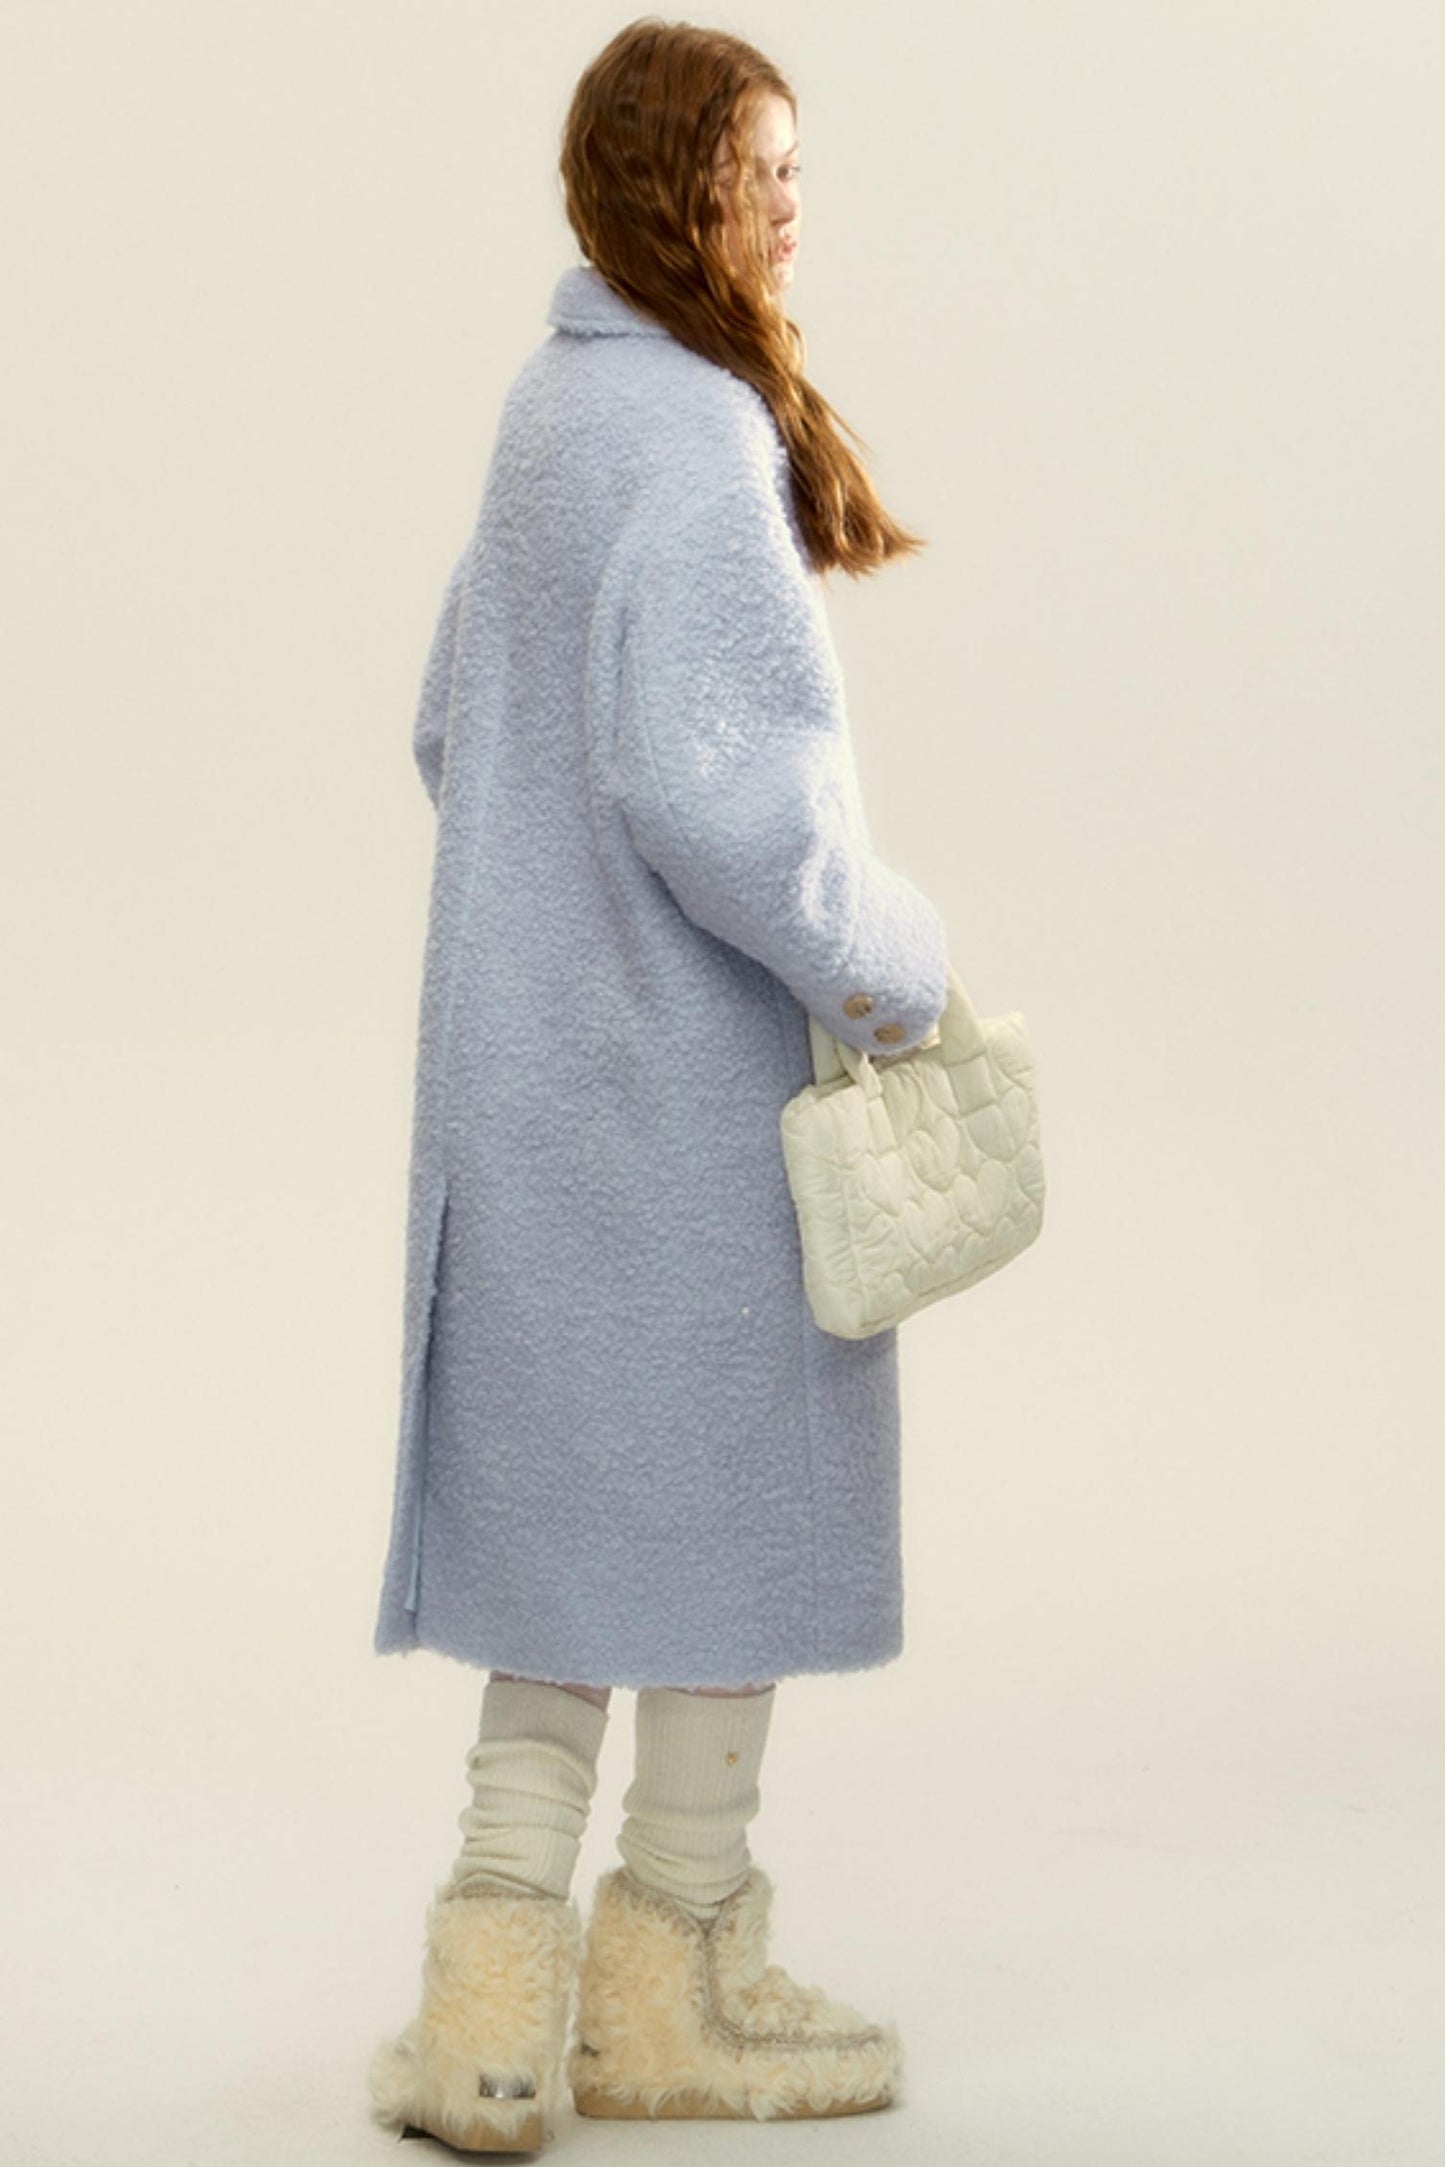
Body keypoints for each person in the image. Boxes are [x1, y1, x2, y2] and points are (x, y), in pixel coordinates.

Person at [367, 17, 950, 2152]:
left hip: (526, 1092)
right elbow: (732, 818)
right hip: (685, 1116)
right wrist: (899, 969)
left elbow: (452, 725)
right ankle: (672, 1980)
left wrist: (550, 914)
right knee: (721, 1529)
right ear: (662, 183)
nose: (790, 205)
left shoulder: (551, 411)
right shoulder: (701, 437)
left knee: (561, 1542)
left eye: (796, 167)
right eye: (753, 167)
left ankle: (489, 2019)